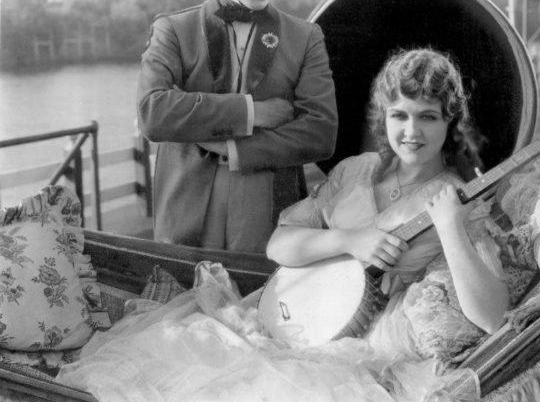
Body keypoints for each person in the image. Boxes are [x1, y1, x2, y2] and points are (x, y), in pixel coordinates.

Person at [58, 48, 511, 401]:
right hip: (296, 311)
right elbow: (279, 244)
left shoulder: (460, 199)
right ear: (384, 117)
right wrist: (350, 240)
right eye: (400, 115)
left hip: (360, 351)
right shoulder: (356, 171)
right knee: (187, 366)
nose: (411, 131)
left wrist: (450, 227)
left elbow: (492, 317)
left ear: (451, 121)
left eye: (428, 117)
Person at [136, 0, 338, 252]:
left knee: (264, 302)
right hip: (185, 219)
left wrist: (233, 149)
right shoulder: (173, 29)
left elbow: (321, 133)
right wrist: (253, 112)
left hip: (272, 222)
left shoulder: (306, 37)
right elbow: (153, 114)